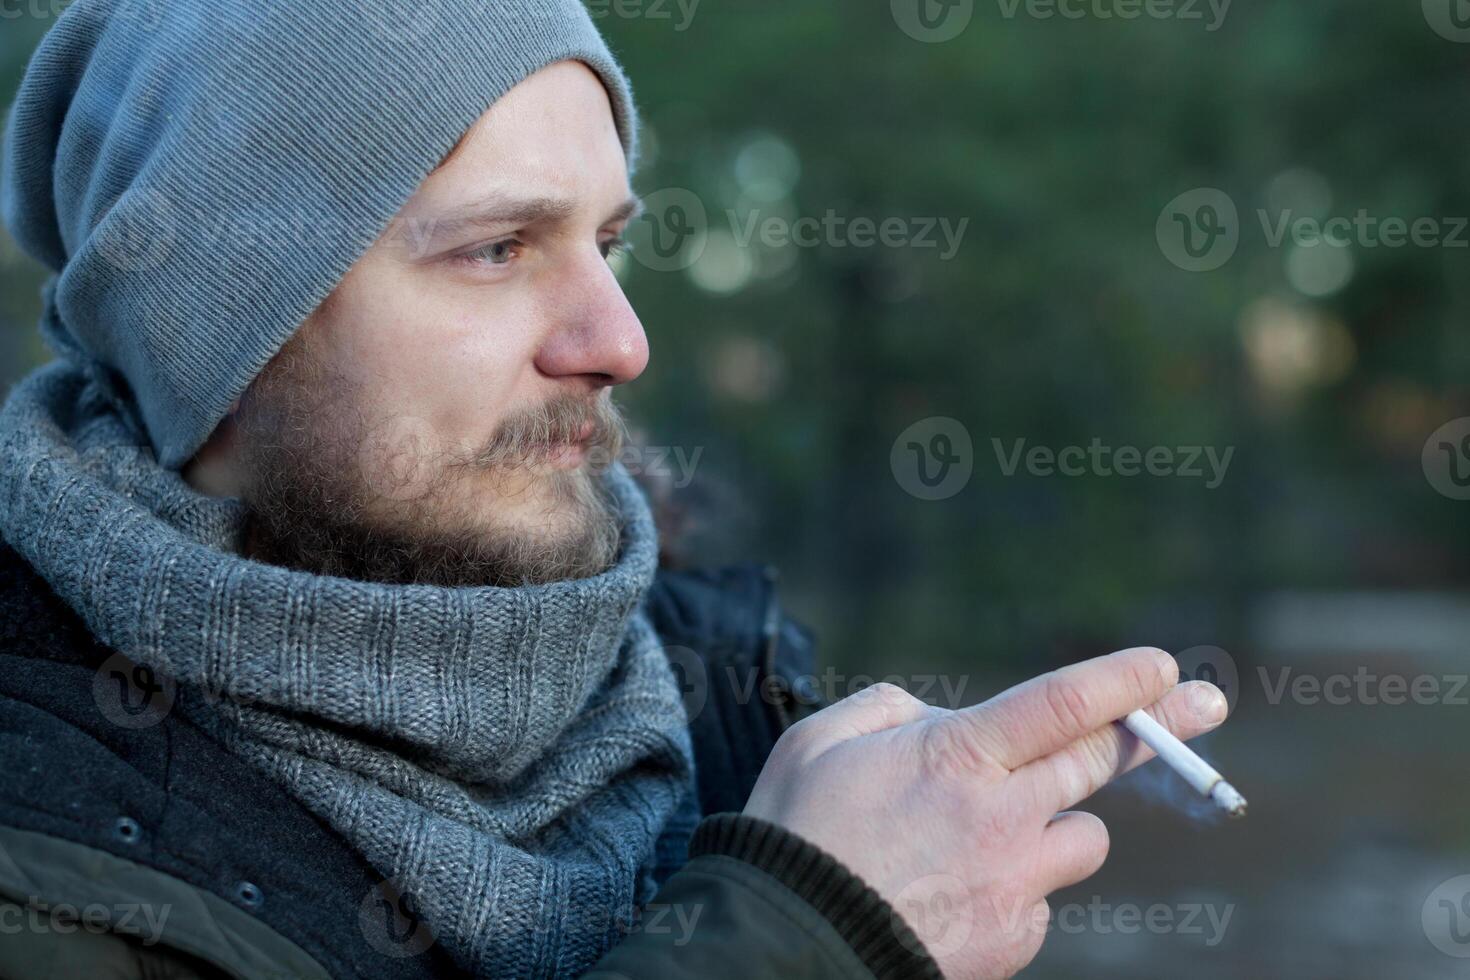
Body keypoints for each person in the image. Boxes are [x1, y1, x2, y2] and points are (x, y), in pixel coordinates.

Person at [0, 1, 1229, 977]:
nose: (619, 340)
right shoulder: (42, 856)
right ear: (214, 343)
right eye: (497, 249)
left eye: (609, 241)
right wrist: (804, 935)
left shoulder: (724, 677)